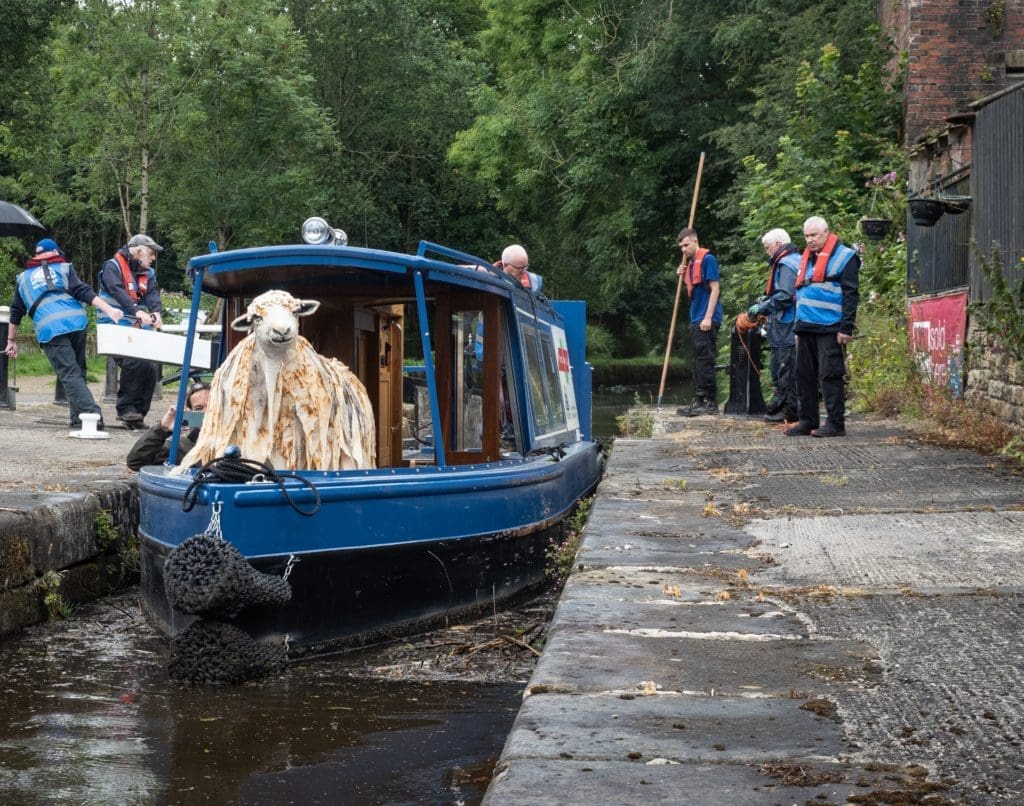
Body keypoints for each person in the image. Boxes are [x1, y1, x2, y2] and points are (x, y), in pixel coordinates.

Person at [5, 238, 124, 432]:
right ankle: (78, 419)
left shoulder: (23, 279)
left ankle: (92, 415)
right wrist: (109, 310)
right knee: (78, 372)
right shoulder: (64, 268)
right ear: (55, 253)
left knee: (69, 374)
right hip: (77, 322)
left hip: (50, 329)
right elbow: (83, 291)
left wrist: (11, 340)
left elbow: (16, 312)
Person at [785, 216, 860, 438]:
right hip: (805, 325)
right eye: (806, 236)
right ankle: (807, 420)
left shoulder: (846, 257)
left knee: (830, 375)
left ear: (826, 233)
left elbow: (851, 295)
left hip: (830, 327)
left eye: (814, 235)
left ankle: (836, 424)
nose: (809, 240)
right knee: (803, 376)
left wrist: (846, 328)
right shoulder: (806, 259)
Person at [98, 233, 165, 428]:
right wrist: (136, 310)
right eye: (151, 254)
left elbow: (152, 294)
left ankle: (137, 414)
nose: (153, 258)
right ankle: (126, 408)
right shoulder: (112, 267)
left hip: (136, 330)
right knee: (134, 363)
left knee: (149, 369)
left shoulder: (148, 274)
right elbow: (116, 290)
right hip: (113, 328)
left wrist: (156, 313)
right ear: (138, 251)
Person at [749, 229, 801, 423]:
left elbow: (785, 296)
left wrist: (762, 307)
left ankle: (786, 410)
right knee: (789, 368)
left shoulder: (786, 264)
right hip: (791, 324)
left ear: (778, 244)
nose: (766, 251)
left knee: (783, 368)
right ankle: (790, 409)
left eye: (767, 247)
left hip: (787, 325)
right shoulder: (796, 259)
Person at [675, 227, 723, 416]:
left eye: (686, 245)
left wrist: (708, 317)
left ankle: (710, 401)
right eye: (681, 247)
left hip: (706, 318)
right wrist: (681, 275)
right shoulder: (691, 264)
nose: (683, 250)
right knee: (698, 359)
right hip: (696, 317)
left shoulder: (708, 260)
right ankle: (700, 398)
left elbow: (715, 289)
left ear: (695, 241)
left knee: (705, 359)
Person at [126, 380, 210, 470]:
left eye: (213, 405)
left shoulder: (227, 443)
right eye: (199, 408)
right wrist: (162, 428)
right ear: (190, 413)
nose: (207, 411)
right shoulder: (183, 446)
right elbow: (136, 462)